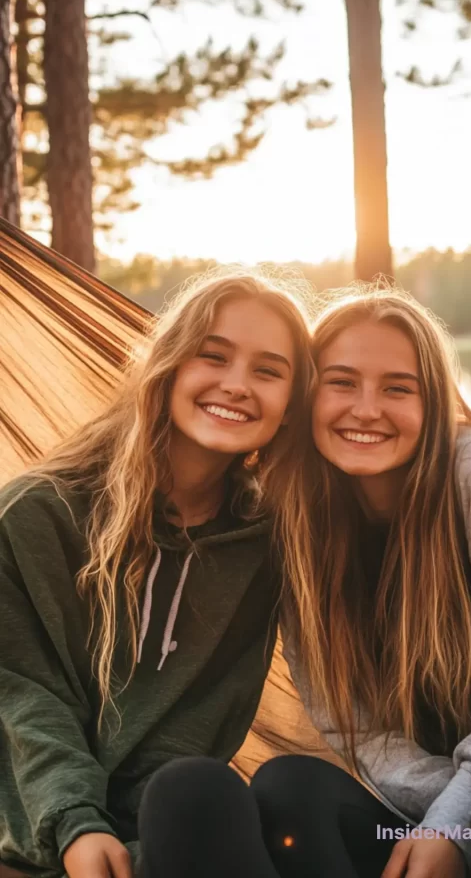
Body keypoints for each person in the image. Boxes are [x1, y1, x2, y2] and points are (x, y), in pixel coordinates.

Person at [141, 286, 471, 878]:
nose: (366, 409)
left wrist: (459, 820)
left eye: (397, 388)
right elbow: (360, 729)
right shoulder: (297, 519)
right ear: (306, 399)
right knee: (289, 788)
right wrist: (444, 818)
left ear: (435, 403)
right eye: (341, 382)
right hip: (443, 803)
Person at [0, 270, 314, 878]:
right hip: (37, 824)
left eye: (269, 371)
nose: (237, 385)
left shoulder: (265, 542)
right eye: (213, 355)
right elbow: (21, 694)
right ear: (167, 364)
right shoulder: (39, 513)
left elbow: (200, 723)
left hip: (172, 820)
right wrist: (75, 822)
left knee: (279, 798)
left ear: (292, 405)